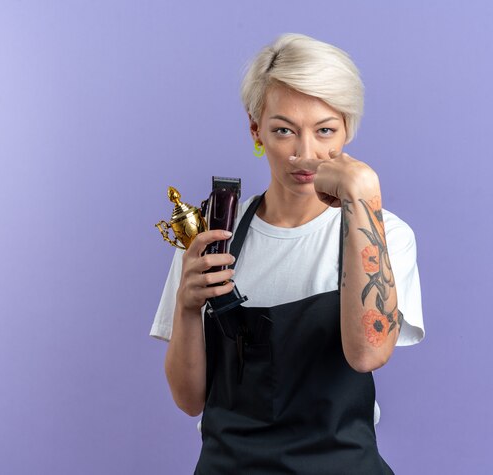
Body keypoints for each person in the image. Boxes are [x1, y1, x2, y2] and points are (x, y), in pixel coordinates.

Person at [150, 33, 425, 474]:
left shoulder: (386, 234)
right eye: (283, 130)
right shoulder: (212, 234)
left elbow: (368, 355)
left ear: (347, 130)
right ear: (255, 130)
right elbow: (188, 400)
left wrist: (365, 197)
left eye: (325, 130)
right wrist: (186, 306)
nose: (305, 154)